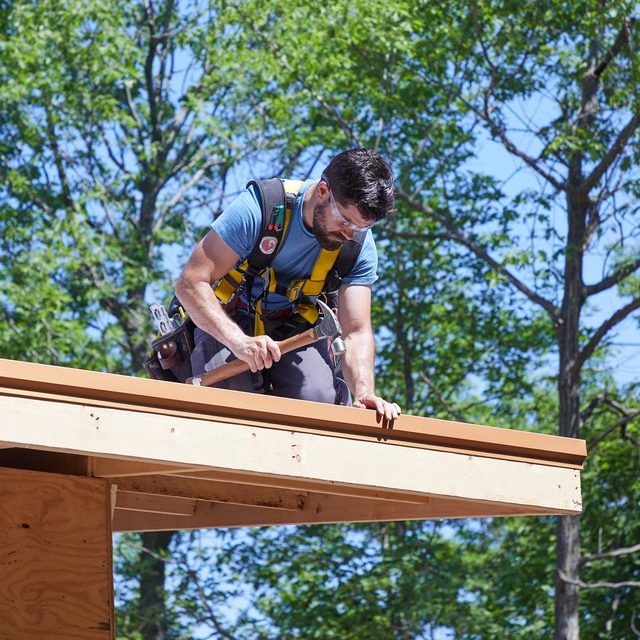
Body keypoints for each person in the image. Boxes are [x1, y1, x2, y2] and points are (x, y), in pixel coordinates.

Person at [175, 148, 401, 422]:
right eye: (344, 221)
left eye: (361, 227)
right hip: (230, 318)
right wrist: (240, 343)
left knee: (318, 403)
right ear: (322, 191)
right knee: (231, 401)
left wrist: (364, 391)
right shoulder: (261, 208)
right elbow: (191, 283)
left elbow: (356, 331)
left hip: (297, 328)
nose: (349, 234)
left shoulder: (358, 247)